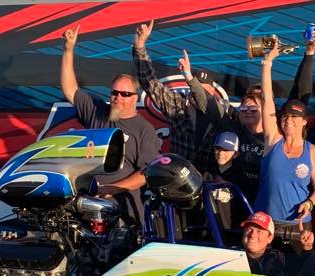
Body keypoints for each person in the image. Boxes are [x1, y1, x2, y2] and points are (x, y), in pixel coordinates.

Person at [188, 25, 315, 203]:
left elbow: (299, 95)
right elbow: (211, 106)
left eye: (254, 109)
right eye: (244, 108)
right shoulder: (235, 127)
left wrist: (309, 55)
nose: (248, 112)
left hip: (266, 200)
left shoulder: (276, 133)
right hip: (237, 200)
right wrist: (190, 79)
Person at [60, 26, 161, 224]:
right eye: (114, 92)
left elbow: (146, 173)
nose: (118, 97)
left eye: (125, 94)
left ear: (135, 98)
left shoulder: (144, 129)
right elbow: (70, 89)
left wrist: (112, 189)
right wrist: (68, 49)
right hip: (84, 201)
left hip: (121, 211)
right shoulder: (97, 111)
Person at [255, 39, 315, 250]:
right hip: (264, 223)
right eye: (285, 116)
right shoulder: (273, 141)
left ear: (304, 121)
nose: (288, 121)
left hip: (299, 225)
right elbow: (267, 101)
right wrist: (267, 64)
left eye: (294, 117)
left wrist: (309, 203)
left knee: (298, 266)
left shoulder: (312, 151)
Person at [134, 20, 220, 173]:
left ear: (213, 93)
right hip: (177, 178)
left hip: (210, 182)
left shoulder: (223, 115)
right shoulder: (177, 105)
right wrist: (140, 46)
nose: (199, 93)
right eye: (196, 87)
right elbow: (149, 82)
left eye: (204, 91)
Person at [242, 211, 314, 276]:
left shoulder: (280, 259)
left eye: (259, 231)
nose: (252, 235)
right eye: (249, 229)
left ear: (270, 238)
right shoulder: (234, 255)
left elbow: (307, 273)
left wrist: (307, 247)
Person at [202, 131, 250, 230]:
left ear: (236, 154)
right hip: (207, 229)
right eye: (218, 148)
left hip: (230, 230)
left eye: (226, 150)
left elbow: (244, 209)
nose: (221, 153)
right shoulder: (207, 175)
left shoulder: (241, 178)